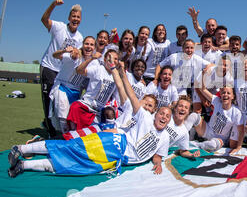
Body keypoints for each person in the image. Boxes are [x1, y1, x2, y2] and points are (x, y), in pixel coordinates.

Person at [8, 62, 172, 178]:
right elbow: (128, 92)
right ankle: (21, 149)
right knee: (71, 145)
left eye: (167, 116)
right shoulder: (143, 115)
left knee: (76, 166)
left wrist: (157, 163)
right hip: (114, 141)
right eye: (161, 113)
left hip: (118, 158)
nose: (164, 116)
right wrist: (121, 73)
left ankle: (24, 166)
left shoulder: (163, 136)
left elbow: (157, 155)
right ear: (155, 114)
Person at [40, 0, 84, 138]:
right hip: (49, 67)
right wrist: (53, 4)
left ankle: (53, 124)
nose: (75, 19)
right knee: (48, 99)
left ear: (80, 20)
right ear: (69, 17)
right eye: (73, 16)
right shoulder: (59, 27)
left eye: (78, 17)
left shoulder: (79, 37)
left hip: (64, 73)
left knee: (60, 101)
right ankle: (51, 132)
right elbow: (44, 19)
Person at [48, 36, 96, 134]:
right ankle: (63, 138)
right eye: (86, 44)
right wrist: (64, 50)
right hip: (63, 87)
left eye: (91, 44)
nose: (89, 47)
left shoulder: (94, 62)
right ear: (82, 45)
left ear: (94, 47)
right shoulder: (75, 55)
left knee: (71, 120)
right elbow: (54, 55)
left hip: (76, 92)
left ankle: (68, 138)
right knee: (63, 118)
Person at [66, 49, 120, 130]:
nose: (113, 60)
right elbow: (79, 70)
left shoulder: (116, 75)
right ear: (105, 60)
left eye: (115, 59)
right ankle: (71, 135)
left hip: (100, 110)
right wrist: (91, 58)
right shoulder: (98, 69)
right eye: (110, 58)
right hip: (87, 104)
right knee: (75, 107)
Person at [193, 85, 244, 155]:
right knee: (194, 116)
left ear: (233, 96)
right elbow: (203, 89)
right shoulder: (217, 100)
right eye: (223, 92)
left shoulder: (236, 112)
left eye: (228, 93)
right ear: (220, 94)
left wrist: (238, 147)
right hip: (207, 131)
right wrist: (203, 75)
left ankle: (196, 145)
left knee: (213, 144)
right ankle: (181, 137)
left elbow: (241, 131)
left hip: (219, 139)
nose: (225, 94)